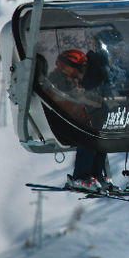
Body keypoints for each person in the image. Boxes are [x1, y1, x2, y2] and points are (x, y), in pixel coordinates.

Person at [48, 48, 114, 191]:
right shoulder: (56, 80)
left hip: (74, 122)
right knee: (87, 138)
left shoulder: (71, 80)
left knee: (101, 139)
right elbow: (69, 97)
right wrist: (95, 101)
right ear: (67, 66)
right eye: (79, 68)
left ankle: (96, 174)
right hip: (60, 123)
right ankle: (80, 176)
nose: (81, 72)